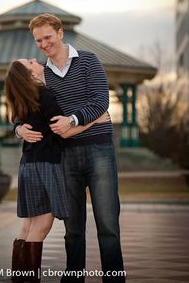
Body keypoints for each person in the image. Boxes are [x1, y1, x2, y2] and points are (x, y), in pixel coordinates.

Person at [16, 14, 125, 283]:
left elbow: (101, 101)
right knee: (73, 227)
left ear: (61, 33)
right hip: (64, 154)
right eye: (38, 40)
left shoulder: (88, 61)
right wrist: (17, 129)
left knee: (108, 225)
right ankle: (74, 278)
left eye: (48, 37)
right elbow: (24, 109)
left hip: (99, 150)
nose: (43, 44)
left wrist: (73, 120)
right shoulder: (41, 74)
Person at [5, 58, 109, 283]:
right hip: (46, 164)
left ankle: (18, 278)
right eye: (30, 62)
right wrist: (95, 121)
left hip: (27, 164)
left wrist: (18, 130)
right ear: (29, 75)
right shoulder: (44, 95)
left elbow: (17, 123)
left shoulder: (20, 100)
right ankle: (30, 279)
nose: (36, 60)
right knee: (41, 226)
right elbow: (61, 130)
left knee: (28, 225)